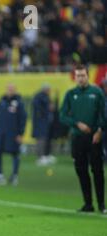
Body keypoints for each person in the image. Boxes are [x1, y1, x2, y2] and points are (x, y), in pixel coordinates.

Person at [60, 65, 106, 213]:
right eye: (78, 76)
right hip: (78, 138)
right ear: (75, 77)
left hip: (94, 137)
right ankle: (88, 204)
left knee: (97, 171)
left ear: (88, 76)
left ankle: (102, 204)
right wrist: (76, 123)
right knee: (81, 171)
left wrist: (100, 130)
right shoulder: (70, 94)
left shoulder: (97, 92)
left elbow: (103, 114)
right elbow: (62, 115)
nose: (80, 78)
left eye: (83, 75)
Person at [0, 84, 27, 186]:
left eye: (12, 89)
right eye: (9, 89)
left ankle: (14, 176)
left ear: (15, 90)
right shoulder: (2, 101)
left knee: (15, 153)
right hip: (1, 132)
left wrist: (20, 133)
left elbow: (22, 118)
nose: (10, 91)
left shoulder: (19, 103)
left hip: (13, 133)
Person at [32, 84, 56, 166]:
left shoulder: (47, 97)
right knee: (41, 139)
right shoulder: (38, 97)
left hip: (47, 122)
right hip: (40, 122)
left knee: (47, 139)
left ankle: (46, 155)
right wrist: (47, 109)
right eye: (48, 89)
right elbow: (38, 109)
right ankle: (40, 157)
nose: (49, 91)